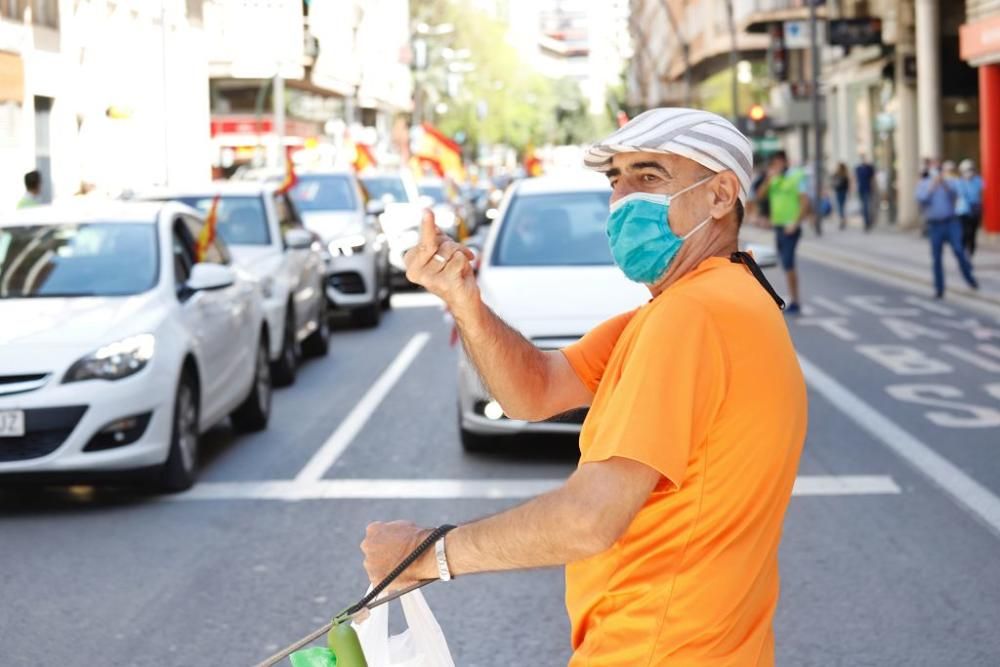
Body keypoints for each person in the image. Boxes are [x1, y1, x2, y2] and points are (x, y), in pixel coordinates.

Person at [361, 108, 807, 666]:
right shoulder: (718, 303)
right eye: (615, 182)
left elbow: (589, 518)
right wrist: (463, 299)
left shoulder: (691, 316)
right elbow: (536, 390)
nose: (623, 201)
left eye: (649, 177)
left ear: (720, 195)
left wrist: (426, 554)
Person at [756, 150, 809, 315]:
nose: (776, 166)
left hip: (790, 227)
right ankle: (791, 297)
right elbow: (760, 196)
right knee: (784, 262)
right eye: (774, 163)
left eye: (779, 163)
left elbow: (805, 202)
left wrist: (796, 222)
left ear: (785, 162)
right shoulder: (774, 179)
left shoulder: (796, 177)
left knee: (788, 262)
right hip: (778, 226)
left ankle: (795, 300)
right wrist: (768, 179)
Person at [916, 164, 978, 298]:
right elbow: (921, 200)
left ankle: (970, 279)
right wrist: (932, 187)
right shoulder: (924, 184)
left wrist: (943, 184)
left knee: (959, 250)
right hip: (935, 225)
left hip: (951, 222)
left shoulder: (950, 182)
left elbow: (956, 195)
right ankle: (939, 289)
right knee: (936, 258)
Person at [954, 159, 983, 256]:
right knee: (964, 233)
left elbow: (982, 191)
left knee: (973, 234)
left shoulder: (978, 180)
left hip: (975, 211)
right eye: (966, 170)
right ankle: (962, 254)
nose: (969, 172)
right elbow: (960, 194)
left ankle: (970, 254)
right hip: (963, 212)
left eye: (971, 170)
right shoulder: (959, 182)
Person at [855, 154, 875, 231]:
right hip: (861, 189)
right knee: (863, 207)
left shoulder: (869, 168)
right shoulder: (858, 168)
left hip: (868, 189)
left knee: (867, 206)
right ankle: (866, 222)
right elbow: (856, 179)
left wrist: (873, 188)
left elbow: (872, 179)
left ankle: (867, 222)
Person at [833, 162, 850, 229]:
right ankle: (843, 220)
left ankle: (842, 220)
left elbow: (847, 185)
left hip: (841, 192)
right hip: (840, 192)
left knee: (840, 207)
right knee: (841, 206)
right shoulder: (840, 174)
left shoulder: (842, 175)